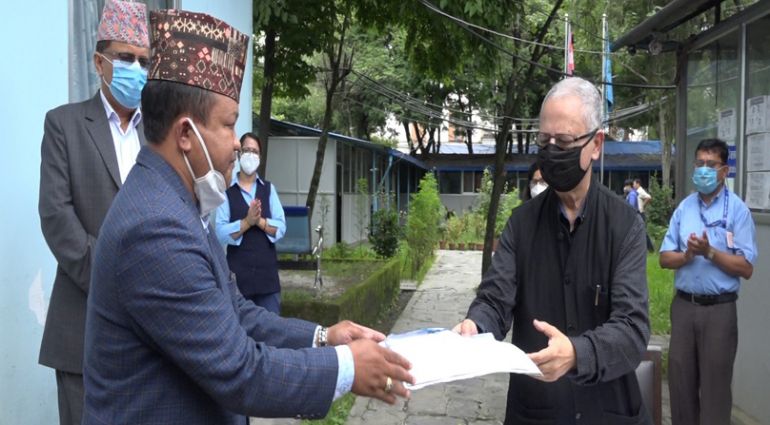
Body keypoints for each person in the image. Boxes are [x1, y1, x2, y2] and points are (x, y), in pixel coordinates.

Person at [83, 9, 413, 425]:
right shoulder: (155, 229)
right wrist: (346, 367)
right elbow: (241, 371)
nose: (237, 146)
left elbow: (234, 311)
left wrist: (323, 337)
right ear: (185, 134)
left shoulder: (178, 205)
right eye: (228, 126)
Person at [454, 77, 651, 424]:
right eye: (544, 141)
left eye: (564, 141)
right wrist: (475, 325)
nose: (552, 151)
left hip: (607, 411)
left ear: (595, 144)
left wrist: (578, 353)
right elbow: (495, 300)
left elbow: (632, 329)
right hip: (537, 410)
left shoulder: (625, 226)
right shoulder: (522, 223)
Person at [37, 2, 149, 423]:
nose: (135, 69)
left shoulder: (157, 133)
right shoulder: (63, 125)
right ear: (98, 62)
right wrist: (112, 277)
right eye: (125, 58)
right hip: (81, 328)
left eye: (143, 61)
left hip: (148, 332)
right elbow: (56, 216)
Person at [660, 138, 757, 425]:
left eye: (710, 165)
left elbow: (746, 267)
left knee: (715, 388)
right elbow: (665, 258)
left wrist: (710, 252)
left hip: (719, 311)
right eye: (699, 163)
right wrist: (688, 254)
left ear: (724, 170)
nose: (703, 169)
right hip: (684, 307)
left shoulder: (738, 210)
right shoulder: (684, 209)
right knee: (680, 383)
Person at [216, 132, 285, 313]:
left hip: (267, 280)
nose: (250, 155)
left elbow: (281, 227)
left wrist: (259, 221)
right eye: (246, 150)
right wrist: (247, 222)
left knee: (272, 333)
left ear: (260, 157)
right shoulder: (227, 192)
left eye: (255, 151)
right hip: (238, 281)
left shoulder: (269, 190)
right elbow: (221, 232)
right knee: (239, 332)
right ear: (239, 155)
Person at [633, 178, 655, 252]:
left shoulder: (640, 191)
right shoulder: (637, 191)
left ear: (638, 184)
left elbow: (649, 197)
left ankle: (651, 248)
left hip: (640, 213)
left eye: (634, 184)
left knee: (643, 231)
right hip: (639, 212)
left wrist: (642, 205)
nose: (633, 185)